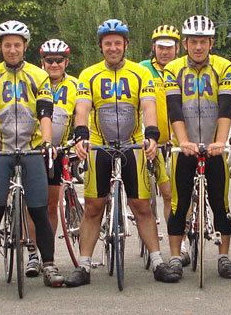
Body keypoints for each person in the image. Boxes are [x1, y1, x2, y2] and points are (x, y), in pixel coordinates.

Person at [65, 19, 178, 286]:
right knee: (93, 207)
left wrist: (151, 134)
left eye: (118, 43)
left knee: (141, 206)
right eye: (108, 44)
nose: (113, 48)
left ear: (126, 45)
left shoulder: (140, 73)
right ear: (101, 47)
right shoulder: (88, 75)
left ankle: (157, 261)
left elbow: (149, 105)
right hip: (100, 147)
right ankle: (84, 266)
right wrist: (81, 136)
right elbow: (82, 108)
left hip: (133, 145)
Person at [0, 20, 64, 291]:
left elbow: (45, 113)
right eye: (7, 45)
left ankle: (48, 265)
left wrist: (47, 143)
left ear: (25, 46)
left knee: (39, 210)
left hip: (31, 148)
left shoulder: (38, 76)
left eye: (17, 45)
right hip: (1, 150)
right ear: (1, 47)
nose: (12, 50)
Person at [162, 15, 231, 280]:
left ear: (211, 43)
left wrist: (221, 141)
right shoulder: (172, 69)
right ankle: (174, 257)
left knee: (220, 202)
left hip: (213, 143)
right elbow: (174, 108)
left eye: (203, 42)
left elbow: (226, 107)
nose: (198, 47)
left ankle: (224, 257)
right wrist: (183, 141)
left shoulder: (224, 67)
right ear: (184, 44)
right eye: (193, 42)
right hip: (185, 144)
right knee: (179, 203)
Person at [40, 39, 81, 258]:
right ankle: (33, 251)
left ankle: (48, 251)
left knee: (51, 204)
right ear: (42, 62)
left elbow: (83, 114)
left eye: (58, 60)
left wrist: (79, 138)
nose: (54, 64)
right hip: (36, 150)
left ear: (66, 62)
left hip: (59, 150)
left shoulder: (75, 85)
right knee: (34, 204)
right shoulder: (35, 82)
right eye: (49, 60)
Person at [140, 25, 177, 243]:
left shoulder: (182, 69)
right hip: (150, 142)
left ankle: (178, 242)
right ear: (154, 47)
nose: (165, 52)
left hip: (175, 143)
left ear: (177, 49)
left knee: (172, 196)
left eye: (169, 48)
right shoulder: (143, 69)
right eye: (161, 47)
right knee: (146, 198)